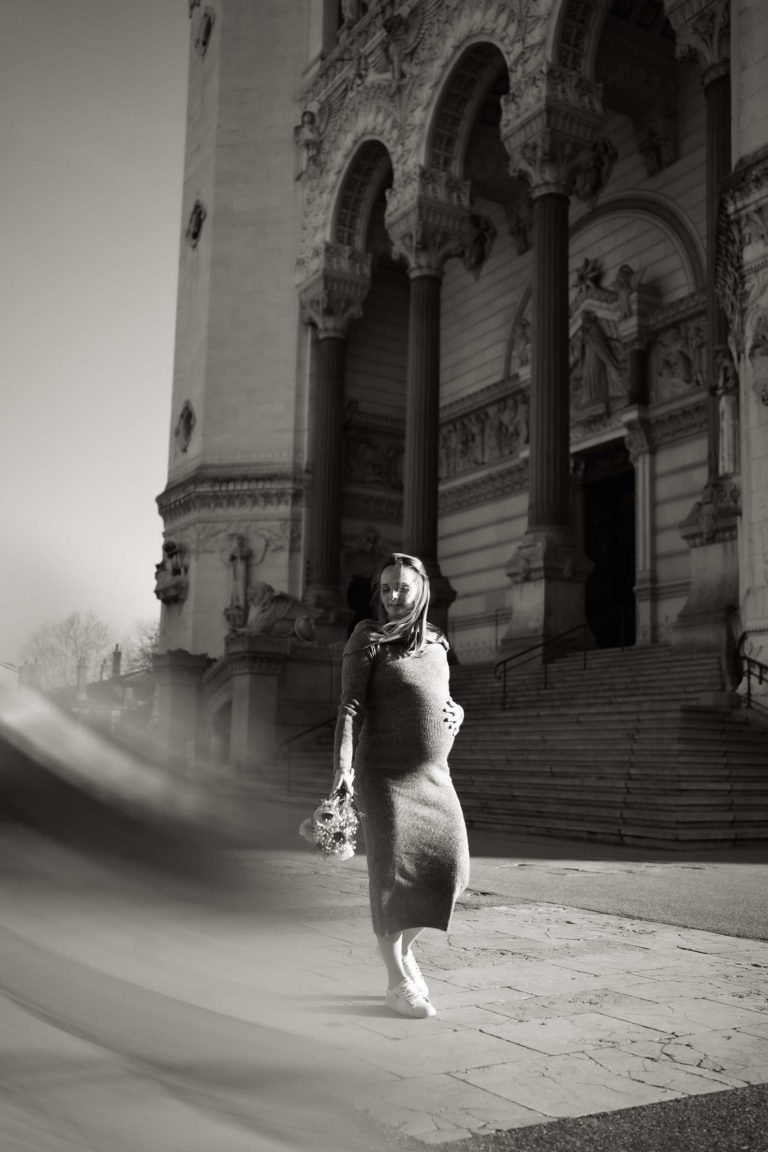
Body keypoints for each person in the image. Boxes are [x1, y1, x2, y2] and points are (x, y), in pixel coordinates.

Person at [331, 553, 470, 1019]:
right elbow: (350, 707)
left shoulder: (437, 643)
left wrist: (460, 713)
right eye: (386, 588)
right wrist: (342, 770)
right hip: (385, 777)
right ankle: (395, 981)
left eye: (402, 588)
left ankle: (403, 950)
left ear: (421, 590)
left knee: (454, 872)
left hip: (434, 778)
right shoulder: (368, 637)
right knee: (391, 882)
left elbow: (443, 699)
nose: (392, 596)